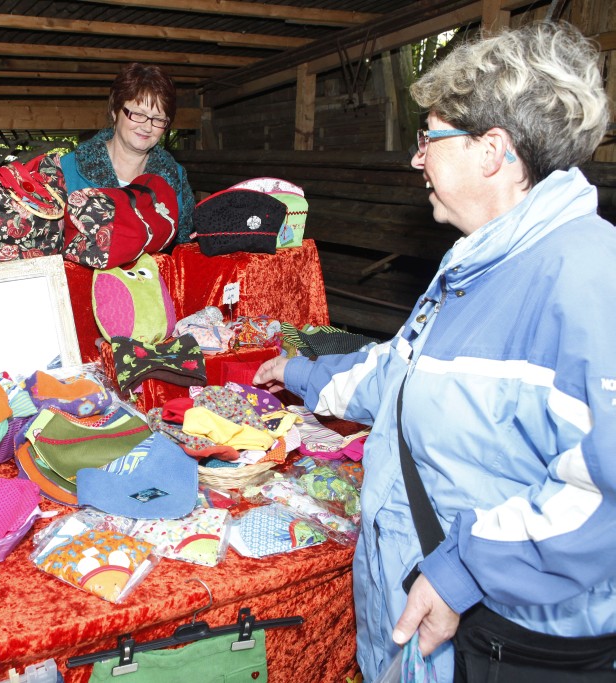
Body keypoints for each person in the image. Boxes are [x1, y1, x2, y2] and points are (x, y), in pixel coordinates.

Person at [253, 22, 615, 681]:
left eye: (430, 139)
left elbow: (602, 492)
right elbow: (400, 372)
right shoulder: (475, 264)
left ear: (492, 151)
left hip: (512, 644)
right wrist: (298, 371)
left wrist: (464, 569)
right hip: (435, 629)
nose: (417, 160)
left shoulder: (588, 279)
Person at [59, 63, 195, 245]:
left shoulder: (175, 178)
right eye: (138, 114)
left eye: (158, 119)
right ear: (115, 111)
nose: (147, 127)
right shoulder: (66, 170)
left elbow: (184, 245)